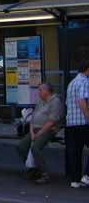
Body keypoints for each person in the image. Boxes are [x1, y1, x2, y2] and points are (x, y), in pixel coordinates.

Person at [16, 83, 64, 184]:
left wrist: (39, 133)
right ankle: (33, 169)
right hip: (35, 130)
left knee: (35, 148)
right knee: (22, 146)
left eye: (40, 90)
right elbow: (32, 119)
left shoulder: (55, 102)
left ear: (47, 91)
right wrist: (32, 132)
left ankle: (44, 173)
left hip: (47, 130)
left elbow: (51, 122)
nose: (39, 92)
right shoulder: (40, 102)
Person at [65, 60, 89, 188]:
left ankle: (75, 180)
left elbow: (68, 103)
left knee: (75, 152)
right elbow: (82, 101)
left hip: (71, 123)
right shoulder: (85, 82)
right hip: (82, 122)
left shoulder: (72, 83)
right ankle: (87, 175)